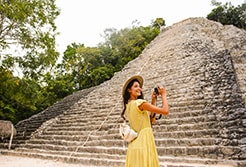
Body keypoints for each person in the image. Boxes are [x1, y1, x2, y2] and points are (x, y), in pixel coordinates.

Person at [121, 75, 169, 167]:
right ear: (129, 90)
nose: (139, 88)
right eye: (135, 86)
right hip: (144, 143)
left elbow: (152, 121)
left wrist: (153, 99)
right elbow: (165, 111)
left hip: (134, 146)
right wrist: (164, 94)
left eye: (139, 86)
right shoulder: (139, 103)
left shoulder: (129, 106)